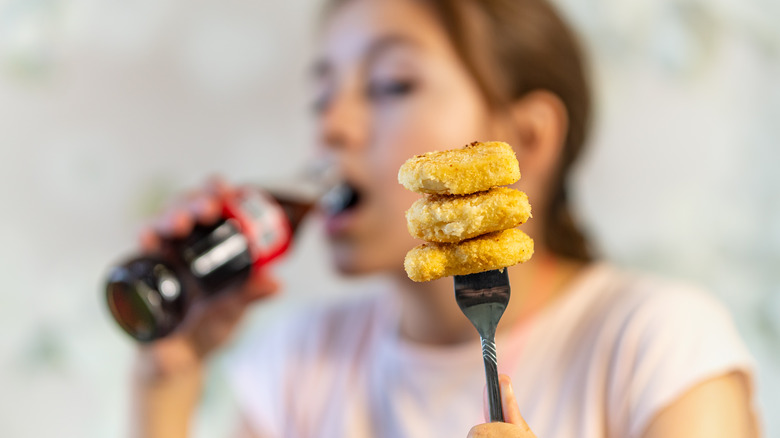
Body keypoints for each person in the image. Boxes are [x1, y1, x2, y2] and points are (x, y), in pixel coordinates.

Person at [129, 0, 759, 437]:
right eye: (322, 95)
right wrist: (167, 381)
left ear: (529, 140)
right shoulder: (300, 366)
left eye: (391, 84)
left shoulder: (655, 345)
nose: (332, 126)